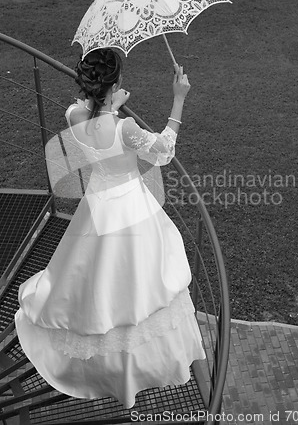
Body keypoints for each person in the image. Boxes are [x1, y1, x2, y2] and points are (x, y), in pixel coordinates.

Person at [14, 48, 206, 409]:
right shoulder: (126, 128)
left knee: (98, 282)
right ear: (115, 82)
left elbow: (92, 116)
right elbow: (163, 150)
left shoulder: (73, 115)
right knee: (138, 286)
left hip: (98, 207)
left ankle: (108, 364)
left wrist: (111, 102)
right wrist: (178, 98)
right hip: (132, 210)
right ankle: (137, 369)